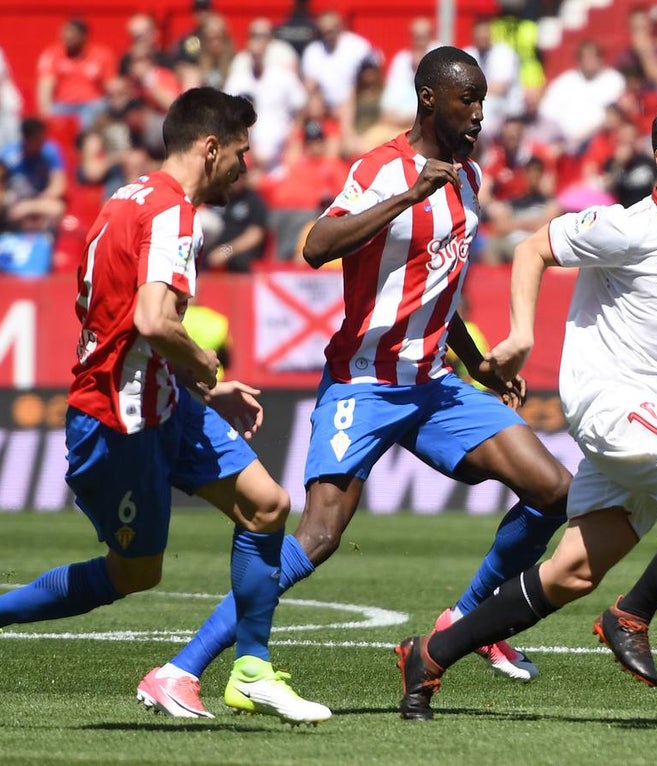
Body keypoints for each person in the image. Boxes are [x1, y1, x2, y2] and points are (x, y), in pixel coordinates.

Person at [134, 46, 571, 715]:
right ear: (430, 98)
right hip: (365, 383)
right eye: (468, 99)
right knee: (316, 537)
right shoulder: (383, 169)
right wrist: (406, 196)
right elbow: (315, 245)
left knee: (553, 491)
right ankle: (181, 669)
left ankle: (465, 620)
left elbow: (435, 287)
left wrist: (479, 365)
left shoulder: (467, 178)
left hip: (436, 385)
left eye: (482, 99)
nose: (479, 113)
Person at [394, 100, 657, 720]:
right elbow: (534, 247)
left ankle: (429, 655)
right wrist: (523, 334)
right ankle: (631, 615)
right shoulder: (625, 226)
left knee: (570, 574)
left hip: (655, 412)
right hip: (610, 402)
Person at [0, 87, 331, 726]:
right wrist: (208, 365)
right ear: (210, 148)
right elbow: (150, 319)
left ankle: (251, 670)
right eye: (240, 151)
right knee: (135, 573)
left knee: (268, 506)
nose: (245, 166)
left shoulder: (127, 198)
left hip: (163, 403)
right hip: (119, 422)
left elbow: (115, 315)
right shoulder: (174, 215)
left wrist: (201, 388)